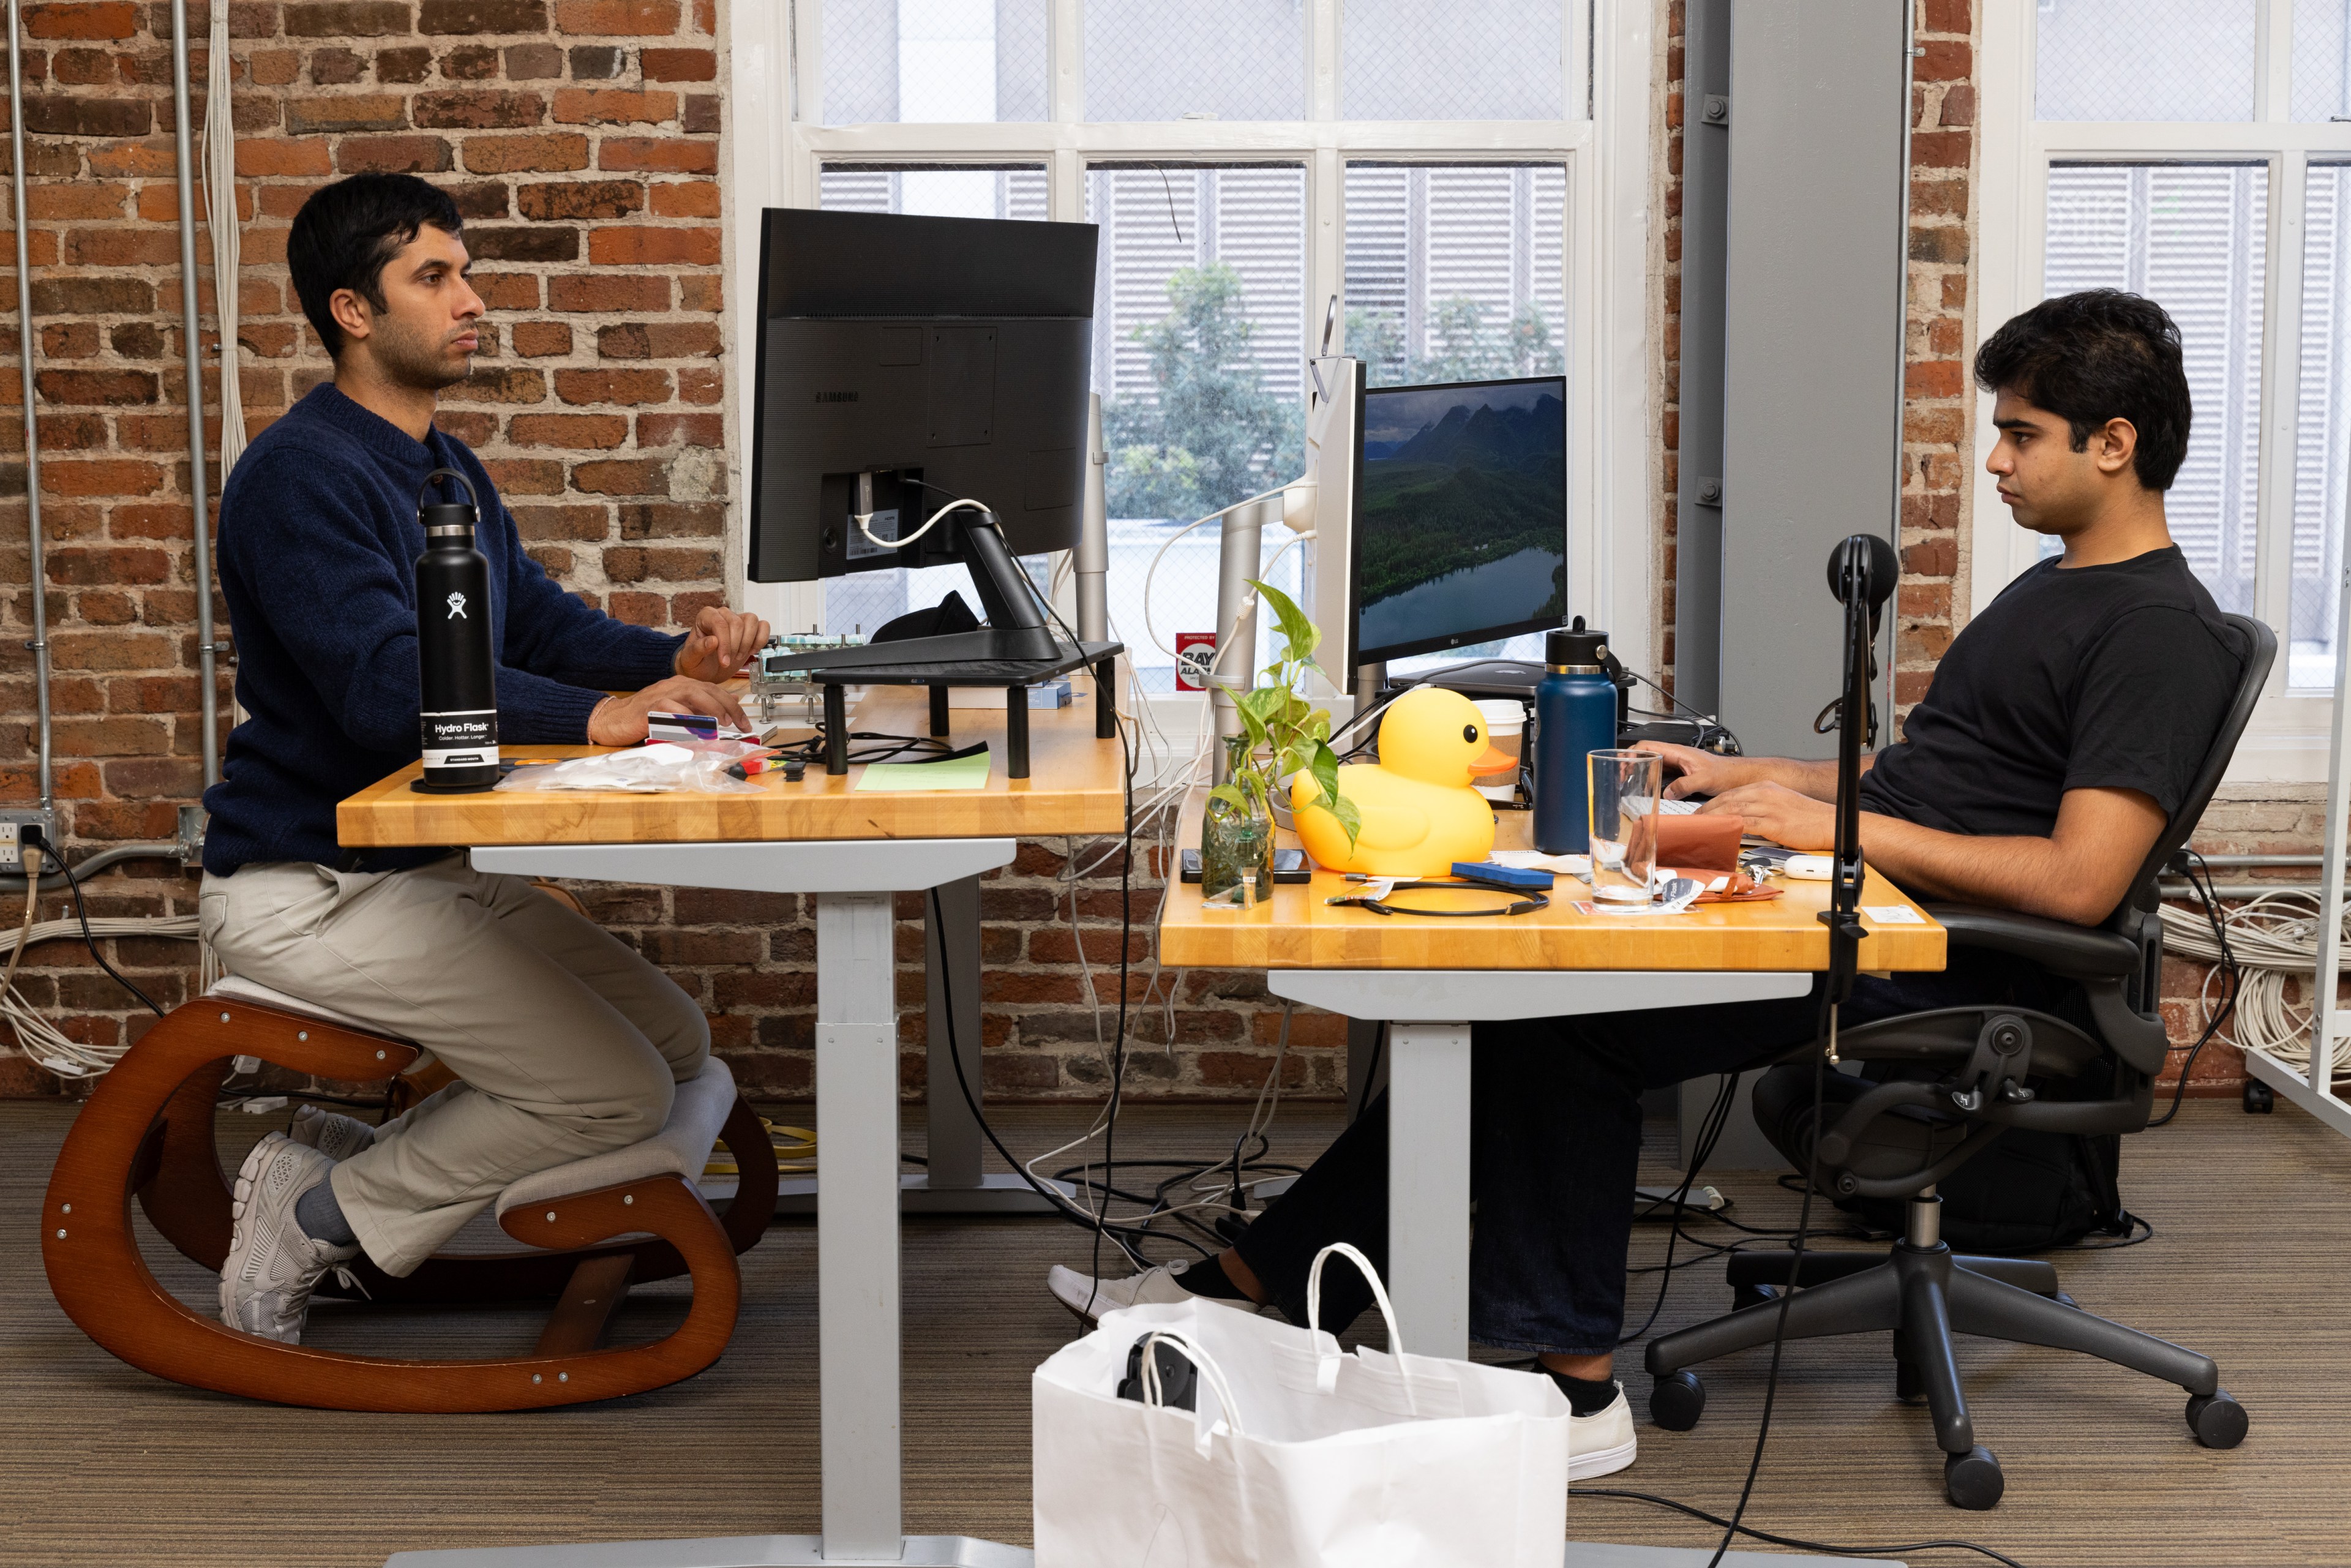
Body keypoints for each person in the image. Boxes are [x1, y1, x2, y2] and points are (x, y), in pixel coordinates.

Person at [1046, 288, 2249, 1480]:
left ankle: (1569, 1393)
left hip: (1947, 961)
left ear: (2116, 445)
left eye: (2022, 434)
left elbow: (2082, 883)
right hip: (1877, 907)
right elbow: (1931, 778)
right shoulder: (2060, 588)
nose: (1994, 458)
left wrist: (1831, 837)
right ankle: (1254, 1292)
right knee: (1501, 1004)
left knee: (1562, 1027)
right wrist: (1750, 779)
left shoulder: (2153, 633)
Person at [201, 173, 770, 1344]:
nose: (472, 298)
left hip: (418, 876)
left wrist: (674, 655)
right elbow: (383, 688)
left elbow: (542, 628)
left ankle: (365, 1158)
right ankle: (318, 1208)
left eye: (465, 272)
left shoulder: (443, 467)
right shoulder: (300, 476)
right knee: (617, 1089)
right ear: (353, 312)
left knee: (676, 1046)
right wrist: (603, 719)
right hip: (309, 889)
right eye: (435, 277)